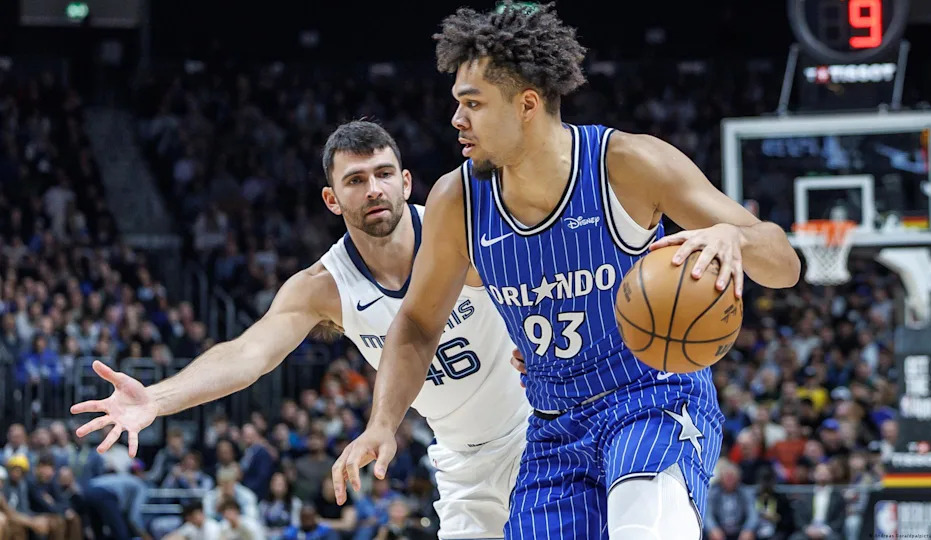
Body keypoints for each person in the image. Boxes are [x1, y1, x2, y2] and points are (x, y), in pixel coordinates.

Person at [331, 3, 800, 539]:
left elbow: (784, 264)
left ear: (527, 104)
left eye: (473, 104)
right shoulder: (456, 201)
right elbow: (415, 325)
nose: (457, 120)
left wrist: (731, 236)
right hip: (555, 427)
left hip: (651, 398)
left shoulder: (628, 165)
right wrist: (383, 422)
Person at [70, 121, 529, 539]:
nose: (373, 189)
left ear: (405, 182)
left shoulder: (460, 233)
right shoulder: (322, 287)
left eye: (384, 174)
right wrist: (156, 399)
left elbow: (542, 277)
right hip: (462, 461)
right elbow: (248, 353)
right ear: (332, 199)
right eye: (355, 180)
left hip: (539, 426)